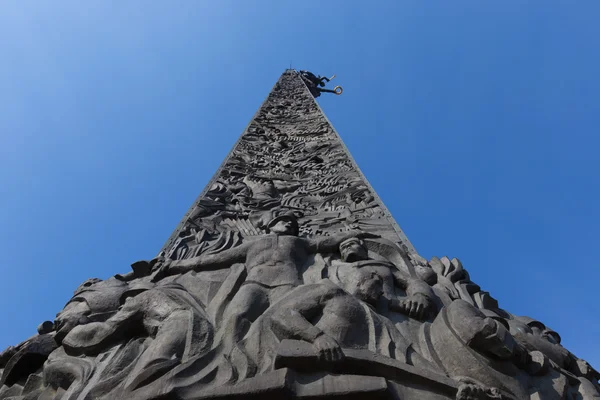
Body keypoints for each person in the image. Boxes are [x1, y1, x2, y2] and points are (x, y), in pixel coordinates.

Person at [153, 214, 378, 351]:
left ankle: (276, 358)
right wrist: (173, 266)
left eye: (292, 223)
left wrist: (356, 232)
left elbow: (327, 241)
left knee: (286, 321)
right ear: (272, 225)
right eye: (283, 222)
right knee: (236, 317)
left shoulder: (299, 242)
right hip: (254, 283)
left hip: (286, 284)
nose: (288, 225)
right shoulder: (252, 244)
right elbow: (211, 259)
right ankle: (229, 356)